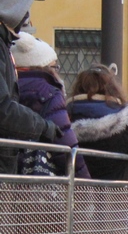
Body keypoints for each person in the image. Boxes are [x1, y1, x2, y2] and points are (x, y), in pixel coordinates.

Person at [0, 0, 58, 173]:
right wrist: (43, 127)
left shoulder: (4, 44)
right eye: (25, 7)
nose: (27, 17)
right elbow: (2, 109)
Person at [14, 33, 90, 178]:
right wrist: (85, 184)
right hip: (37, 183)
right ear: (44, 67)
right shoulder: (48, 92)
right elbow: (66, 145)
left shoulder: (6, 88)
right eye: (55, 66)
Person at [67, 65, 128, 179]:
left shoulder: (66, 118)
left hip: (75, 192)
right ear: (113, 89)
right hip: (115, 193)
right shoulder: (124, 122)